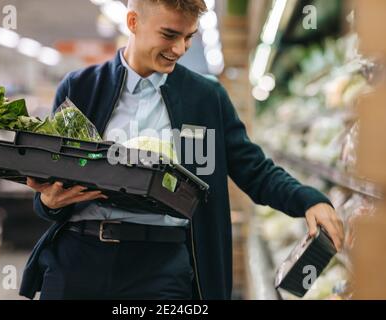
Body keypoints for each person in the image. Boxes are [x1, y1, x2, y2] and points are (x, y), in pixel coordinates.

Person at [21, 0, 344, 300]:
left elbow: (252, 168)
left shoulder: (205, 97)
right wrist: (48, 202)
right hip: (80, 259)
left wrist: (307, 199)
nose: (179, 49)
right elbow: (52, 181)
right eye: (169, 35)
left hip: (163, 268)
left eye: (189, 37)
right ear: (133, 22)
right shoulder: (81, 86)